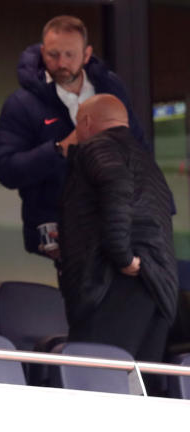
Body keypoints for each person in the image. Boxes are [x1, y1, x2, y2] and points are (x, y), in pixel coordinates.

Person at [0, 15, 147, 260]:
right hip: (58, 232)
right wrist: (61, 148)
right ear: (42, 52)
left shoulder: (110, 87)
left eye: (69, 55)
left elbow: (139, 148)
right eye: (53, 54)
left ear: (86, 55)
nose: (61, 62)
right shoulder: (21, 104)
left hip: (119, 221)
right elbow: (6, 169)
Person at [59, 94, 178, 363]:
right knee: (136, 388)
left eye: (77, 124)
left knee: (94, 381)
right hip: (156, 287)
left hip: (115, 283)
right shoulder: (145, 159)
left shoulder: (99, 146)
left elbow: (116, 184)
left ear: (86, 121)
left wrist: (121, 255)